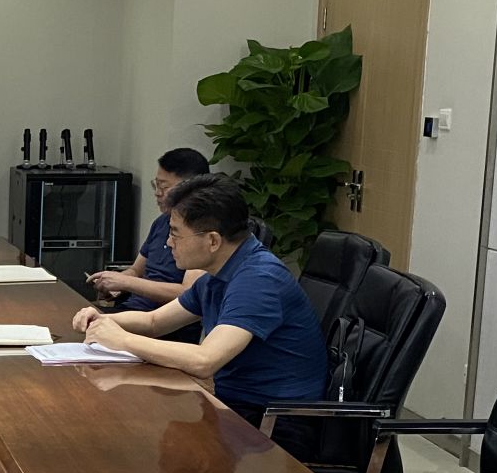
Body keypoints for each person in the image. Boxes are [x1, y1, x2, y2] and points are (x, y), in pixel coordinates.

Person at [71, 174, 326, 444]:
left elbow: (205, 361)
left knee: (131, 437)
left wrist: (122, 340)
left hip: (274, 422)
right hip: (236, 406)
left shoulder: (258, 279)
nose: (169, 243)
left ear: (213, 241)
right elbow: (154, 321)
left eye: (175, 233)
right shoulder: (219, 274)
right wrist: (102, 320)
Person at [87, 147, 210, 311]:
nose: (157, 193)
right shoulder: (161, 222)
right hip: (132, 309)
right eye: (156, 185)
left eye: (164, 187)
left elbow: (188, 293)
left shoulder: (201, 231)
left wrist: (128, 283)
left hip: (162, 318)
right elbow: (136, 271)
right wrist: (114, 283)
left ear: (191, 188)